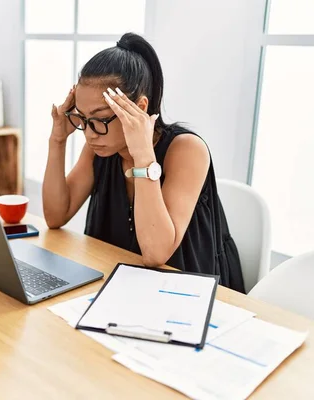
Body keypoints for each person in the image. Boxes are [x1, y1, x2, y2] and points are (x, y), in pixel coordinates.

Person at [42, 32, 245, 293]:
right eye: (82, 118)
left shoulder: (187, 150)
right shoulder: (99, 147)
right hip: (121, 284)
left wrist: (143, 154)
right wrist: (57, 140)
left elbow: (155, 254)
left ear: (139, 107)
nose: (90, 132)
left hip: (191, 291)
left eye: (100, 118)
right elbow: (55, 216)